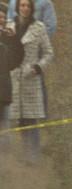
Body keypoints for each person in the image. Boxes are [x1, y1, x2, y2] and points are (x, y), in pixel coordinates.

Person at [8, 0, 52, 161]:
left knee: (31, 120)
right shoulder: (9, 26)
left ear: (32, 8)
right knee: (17, 120)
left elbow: (48, 53)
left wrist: (38, 67)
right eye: (22, 5)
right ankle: (19, 157)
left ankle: (33, 157)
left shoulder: (39, 27)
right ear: (18, 7)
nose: (25, 8)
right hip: (12, 78)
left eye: (28, 5)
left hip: (31, 79)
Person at [0, 3, 24, 145]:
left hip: (4, 90)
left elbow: (16, 61)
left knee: (4, 131)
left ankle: (7, 163)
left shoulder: (9, 37)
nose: (0, 20)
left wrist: (14, 39)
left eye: (2, 17)